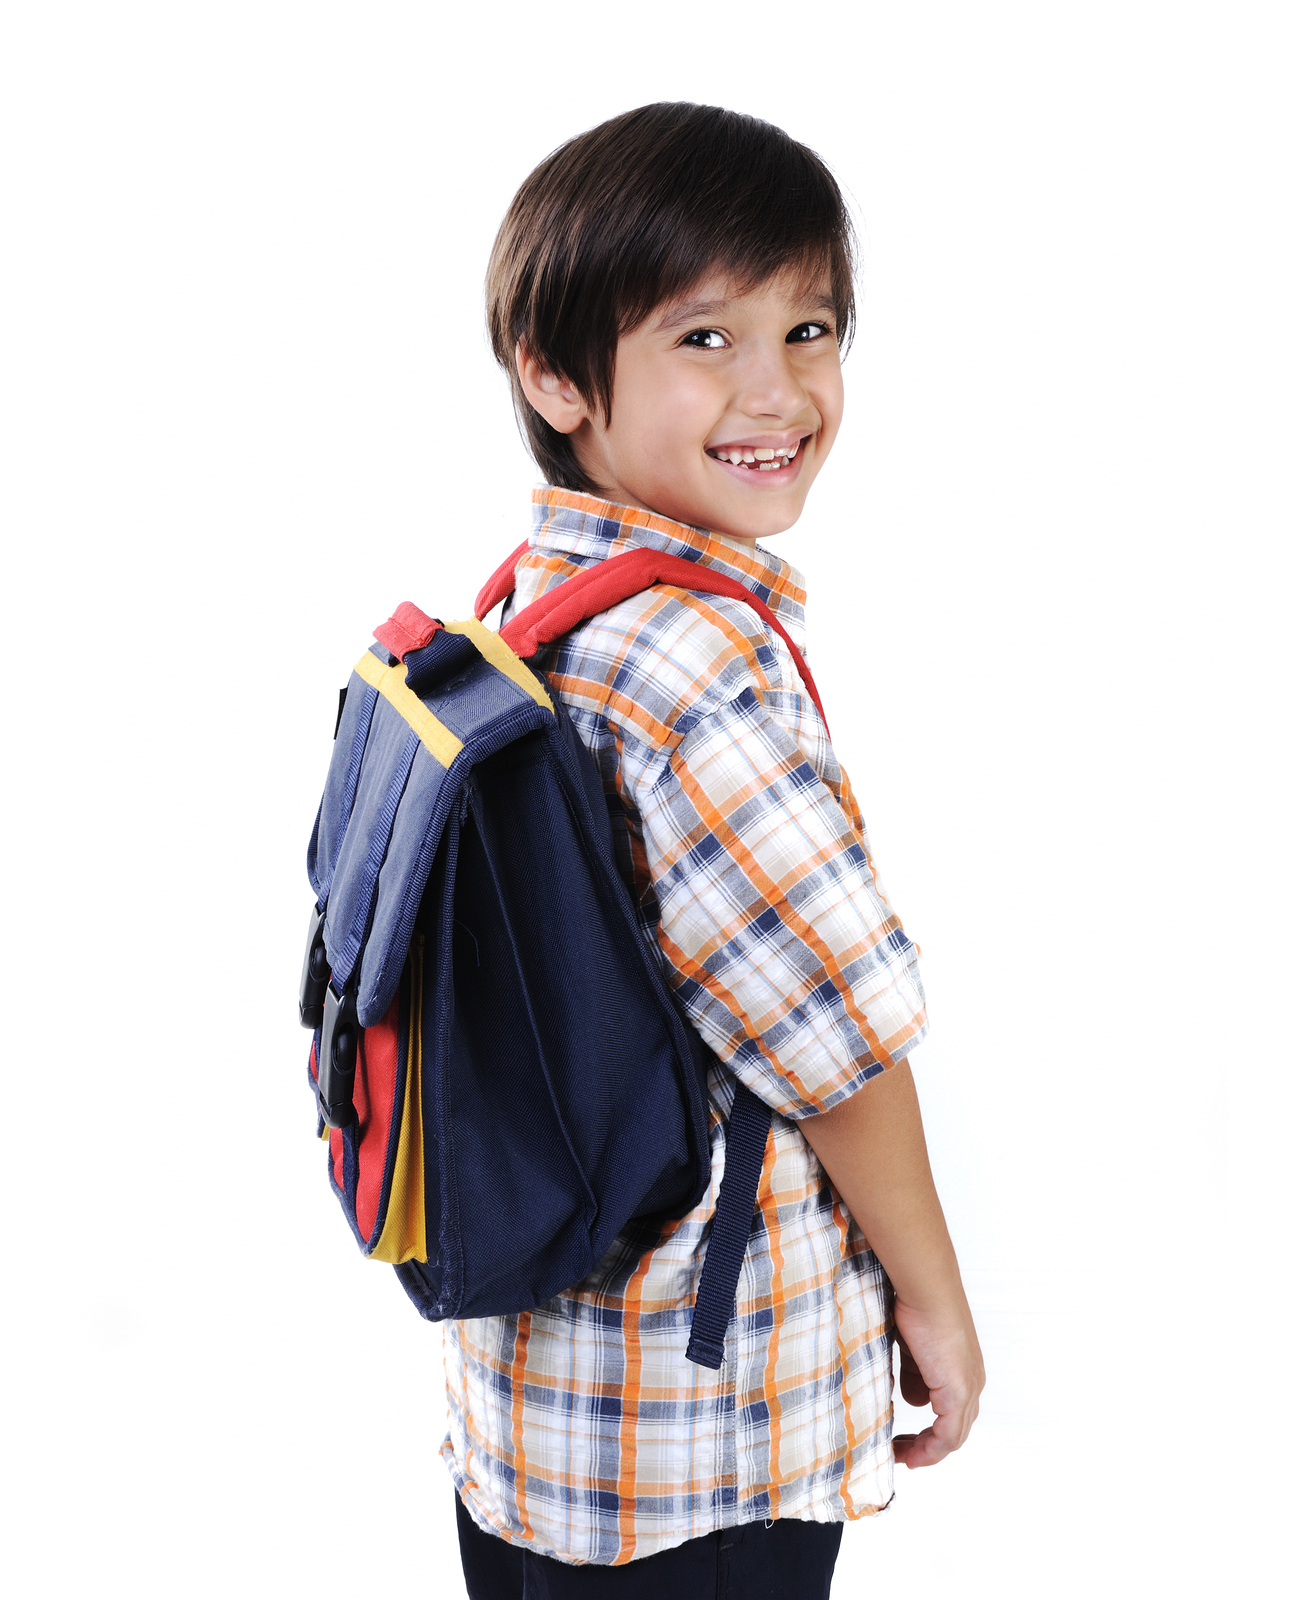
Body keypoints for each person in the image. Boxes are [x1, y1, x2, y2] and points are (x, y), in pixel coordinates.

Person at [448, 102, 984, 1599]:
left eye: (809, 327)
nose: (778, 390)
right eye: (702, 340)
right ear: (554, 376)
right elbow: (838, 1047)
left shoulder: (526, 606)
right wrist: (935, 1312)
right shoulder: (696, 668)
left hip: (535, 1398)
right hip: (706, 1425)